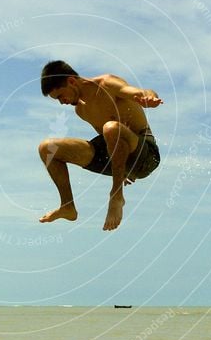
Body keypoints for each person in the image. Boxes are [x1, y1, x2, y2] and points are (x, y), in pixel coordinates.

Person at [38, 60, 162, 231]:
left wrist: (150, 97)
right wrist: (122, 166)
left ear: (72, 81)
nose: (62, 102)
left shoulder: (107, 85)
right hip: (118, 151)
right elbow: (107, 141)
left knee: (111, 128)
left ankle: (116, 196)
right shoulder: (81, 110)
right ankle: (67, 207)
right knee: (47, 148)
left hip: (146, 154)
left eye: (60, 96)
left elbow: (139, 92)